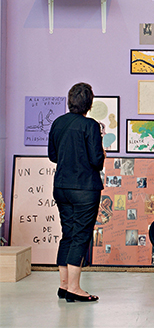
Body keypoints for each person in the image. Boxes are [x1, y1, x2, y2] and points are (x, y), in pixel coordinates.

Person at [48, 82, 106, 303]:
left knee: (68, 234)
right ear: (89, 103)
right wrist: (103, 152)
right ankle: (74, 288)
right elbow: (96, 161)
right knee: (80, 236)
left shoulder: (58, 123)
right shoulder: (90, 125)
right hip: (84, 189)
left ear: (70, 100)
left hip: (61, 187)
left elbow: (53, 156)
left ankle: (63, 286)